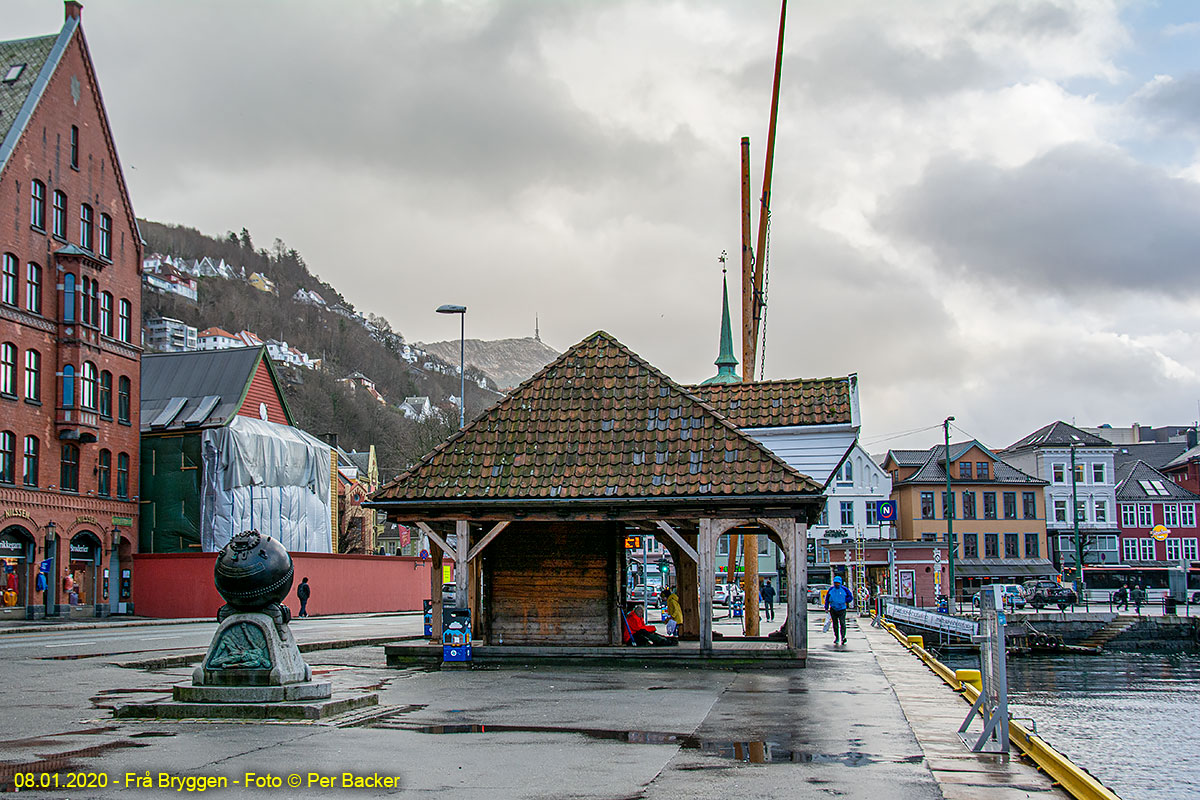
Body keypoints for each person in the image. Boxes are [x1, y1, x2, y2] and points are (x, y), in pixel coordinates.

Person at [824, 576, 855, 645]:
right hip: (833, 609)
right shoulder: (831, 589)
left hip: (842, 609)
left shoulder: (844, 589)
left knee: (842, 623)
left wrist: (845, 601)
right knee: (835, 624)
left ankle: (843, 637)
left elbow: (850, 597)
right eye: (835, 583)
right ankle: (837, 637)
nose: (837, 584)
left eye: (838, 583)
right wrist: (826, 608)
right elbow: (827, 599)